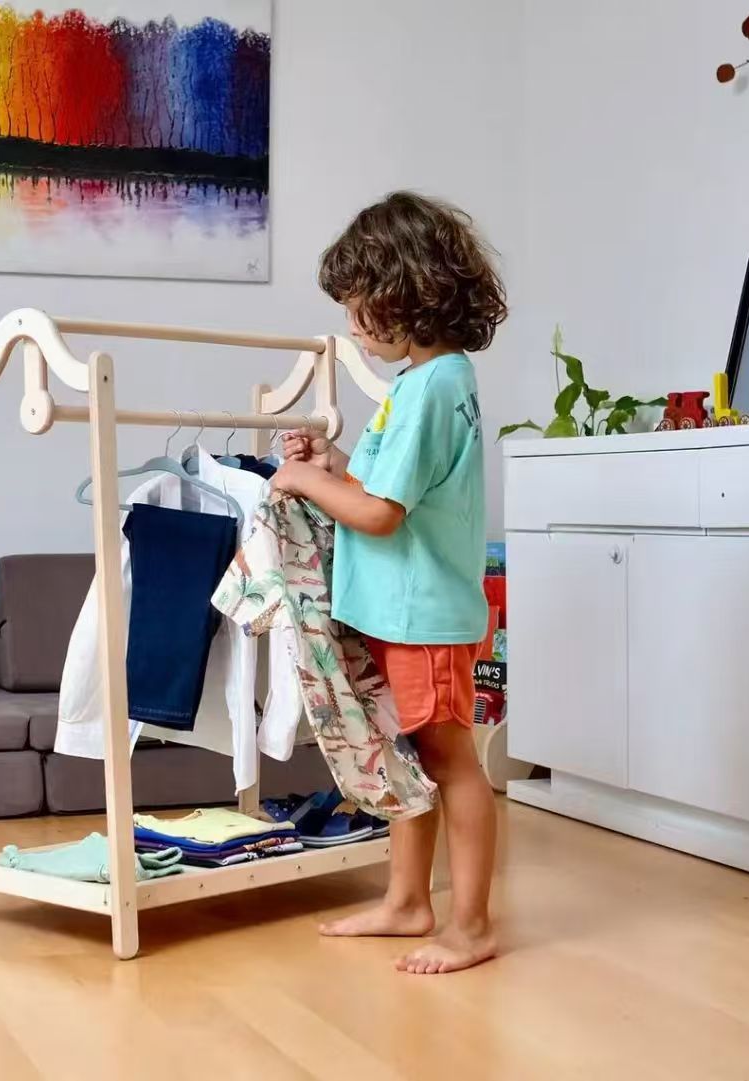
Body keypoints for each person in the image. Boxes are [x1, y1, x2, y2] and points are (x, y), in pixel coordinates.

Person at [272, 191, 507, 974]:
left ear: (407, 292)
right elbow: (382, 485)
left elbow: (378, 514)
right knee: (407, 759)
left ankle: (471, 924)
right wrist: (330, 464)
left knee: (449, 761)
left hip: (422, 615)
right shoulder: (423, 383)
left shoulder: (434, 387)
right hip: (403, 608)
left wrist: (306, 483)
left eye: (357, 307)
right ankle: (408, 902)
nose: (352, 327)